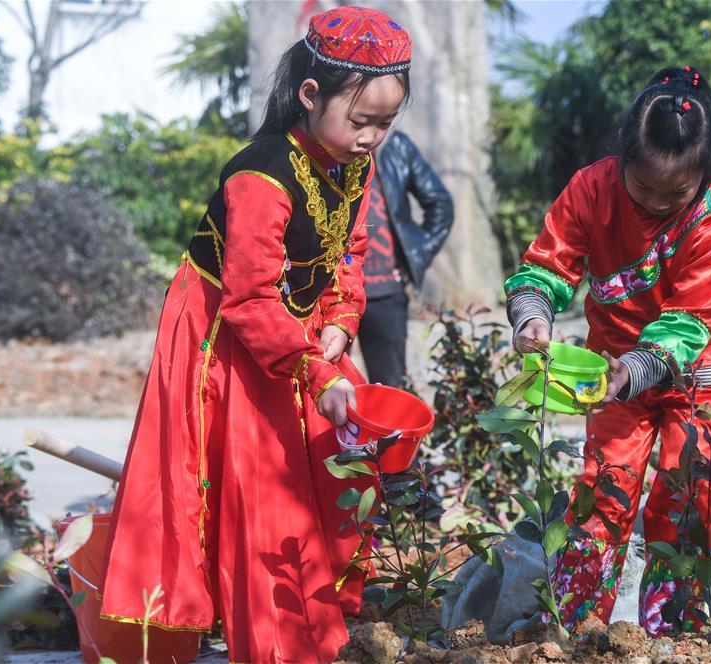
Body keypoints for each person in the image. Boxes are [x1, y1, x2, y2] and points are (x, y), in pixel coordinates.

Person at [98, 7, 411, 662]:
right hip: (225, 326)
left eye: (385, 123)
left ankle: (310, 626)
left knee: (329, 463)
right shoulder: (261, 176)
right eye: (361, 122)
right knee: (258, 482)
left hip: (293, 330)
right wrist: (315, 370)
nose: (372, 139)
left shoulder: (352, 161)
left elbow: (347, 253)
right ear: (308, 95)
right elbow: (248, 297)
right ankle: (274, 641)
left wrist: (340, 322)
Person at [505, 66, 711, 637]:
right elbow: (547, 263)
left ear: (705, 174)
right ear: (622, 161)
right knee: (604, 486)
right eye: (645, 189)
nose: (660, 203)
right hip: (611, 367)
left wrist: (636, 368)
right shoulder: (591, 189)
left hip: (699, 369)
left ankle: (672, 631)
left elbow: (689, 323)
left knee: (686, 491)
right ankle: (576, 622)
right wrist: (534, 316)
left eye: (677, 193)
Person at [357, 131, 454, 386]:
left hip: (384, 290)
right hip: (329, 292)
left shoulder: (395, 145)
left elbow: (440, 203)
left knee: (390, 390)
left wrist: (417, 254)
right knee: (323, 390)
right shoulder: (323, 141)